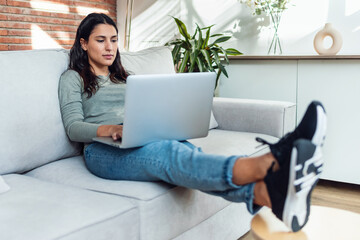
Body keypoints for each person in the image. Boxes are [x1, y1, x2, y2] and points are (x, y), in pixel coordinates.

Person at [59, 13, 327, 232]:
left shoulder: (125, 76)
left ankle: (271, 196)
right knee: (171, 155)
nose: (110, 47)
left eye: (114, 40)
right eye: (101, 40)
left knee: (190, 156)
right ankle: (274, 161)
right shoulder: (73, 78)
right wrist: (111, 129)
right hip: (101, 149)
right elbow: (73, 127)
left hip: (142, 134)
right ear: (83, 43)